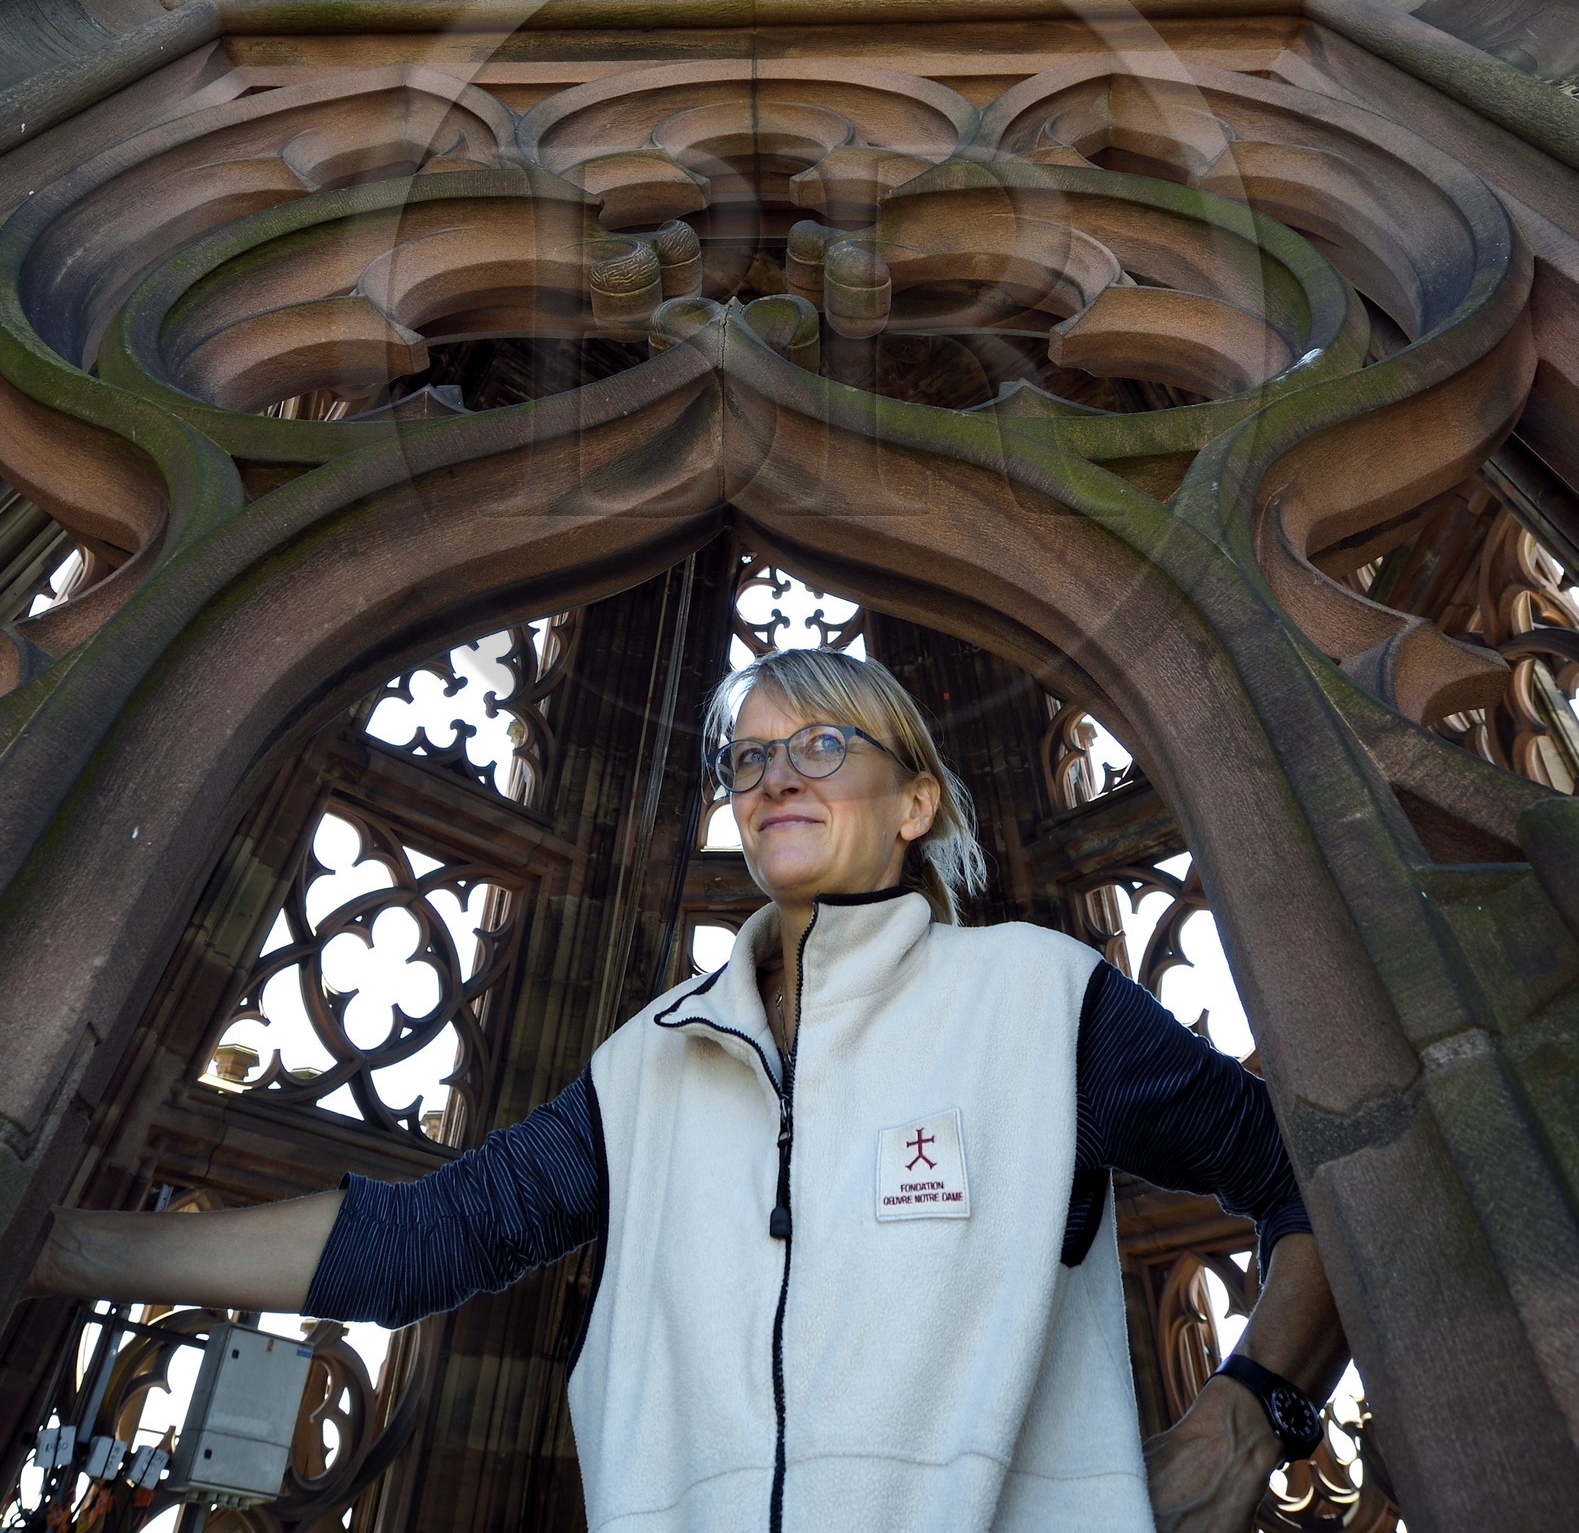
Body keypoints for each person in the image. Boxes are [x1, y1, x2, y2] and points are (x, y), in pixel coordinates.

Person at [32, 649, 1346, 1532]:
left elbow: (1328, 1179)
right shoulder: (655, 1053)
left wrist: (1256, 1409)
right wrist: (60, 1246)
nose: (774, 776)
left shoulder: (1041, 1003)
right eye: (748, 760)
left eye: (824, 745)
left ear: (916, 803)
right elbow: (424, 1243)